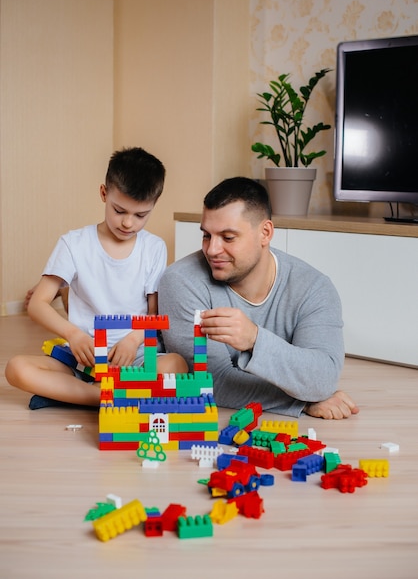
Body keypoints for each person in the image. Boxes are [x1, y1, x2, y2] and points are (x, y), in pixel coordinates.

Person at [158, 177, 359, 420]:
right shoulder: (181, 281)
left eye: (228, 237)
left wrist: (253, 338)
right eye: (207, 235)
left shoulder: (314, 287)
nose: (212, 249)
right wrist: (301, 401)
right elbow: (210, 381)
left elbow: (323, 377)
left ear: (265, 233)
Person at [5, 146, 187, 409]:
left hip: (133, 357)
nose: (128, 223)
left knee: (176, 366)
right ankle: (102, 396)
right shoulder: (74, 243)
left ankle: (83, 394)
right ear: (104, 193)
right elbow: (37, 304)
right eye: (119, 210)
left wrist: (134, 339)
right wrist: (73, 335)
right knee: (16, 368)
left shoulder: (154, 247)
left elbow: (154, 311)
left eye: (140, 215)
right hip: (83, 357)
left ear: (153, 205)